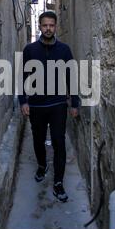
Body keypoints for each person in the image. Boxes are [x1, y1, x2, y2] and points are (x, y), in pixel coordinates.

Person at [18, 11, 80, 203]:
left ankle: (58, 182)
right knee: (38, 139)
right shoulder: (30, 50)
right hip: (36, 105)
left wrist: (74, 103)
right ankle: (42, 164)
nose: (48, 29)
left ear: (55, 27)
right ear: (40, 26)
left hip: (58, 105)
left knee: (58, 142)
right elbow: (22, 77)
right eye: (45, 25)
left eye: (51, 25)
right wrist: (23, 101)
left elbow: (72, 77)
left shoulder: (64, 50)